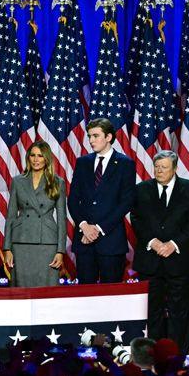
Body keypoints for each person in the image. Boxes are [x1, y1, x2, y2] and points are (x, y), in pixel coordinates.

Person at [131, 150, 189, 350]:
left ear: (175, 168)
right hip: (150, 261)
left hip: (178, 262)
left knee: (179, 313)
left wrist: (172, 244)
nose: (159, 171)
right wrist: (152, 242)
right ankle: (151, 354)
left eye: (164, 167)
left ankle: (175, 356)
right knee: (152, 312)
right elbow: (136, 219)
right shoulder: (142, 189)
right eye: (157, 167)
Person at [67, 118, 135, 284]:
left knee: (111, 297)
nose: (91, 140)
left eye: (95, 136)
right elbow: (73, 199)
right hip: (84, 241)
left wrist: (97, 229)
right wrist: (84, 226)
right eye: (89, 136)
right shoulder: (82, 162)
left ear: (109, 137)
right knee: (85, 295)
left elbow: (126, 202)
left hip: (111, 241)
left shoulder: (125, 164)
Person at [3, 140, 66, 287]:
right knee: (21, 289)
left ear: (46, 159)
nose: (36, 160)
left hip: (47, 242)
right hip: (21, 241)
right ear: (28, 158)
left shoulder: (58, 182)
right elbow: (11, 216)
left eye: (40, 156)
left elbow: (62, 218)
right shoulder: (18, 181)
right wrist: (7, 248)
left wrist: (60, 251)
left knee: (47, 289)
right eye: (33, 155)